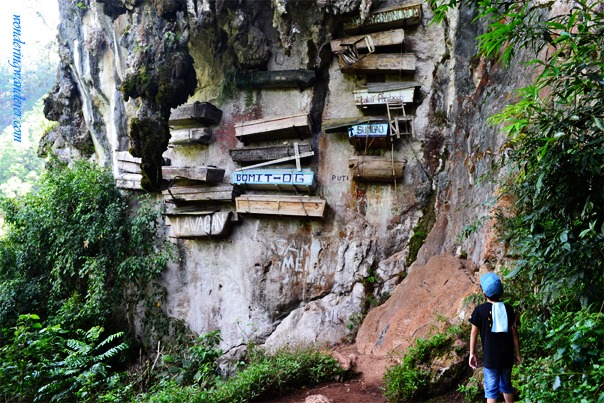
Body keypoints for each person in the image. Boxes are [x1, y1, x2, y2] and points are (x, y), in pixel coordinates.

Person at [469, 272, 521, 403]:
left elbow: (474, 332)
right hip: (507, 357)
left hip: (491, 358)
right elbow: (514, 333)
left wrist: (472, 353)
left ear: (484, 293)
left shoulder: (480, 310)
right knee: (507, 387)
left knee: (491, 391)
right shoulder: (508, 309)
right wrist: (518, 354)